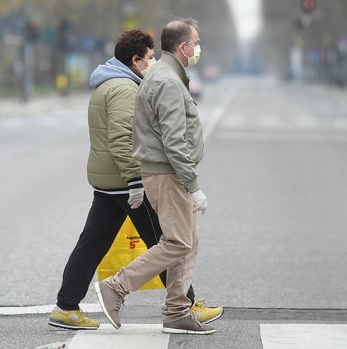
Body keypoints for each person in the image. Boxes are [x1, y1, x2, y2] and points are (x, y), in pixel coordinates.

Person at [49, 29, 222, 330]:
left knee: (91, 245)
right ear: (135, 60)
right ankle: (186, 306)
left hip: (108, 182)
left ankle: (65, 307)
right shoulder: (125, 89)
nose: (153, 61)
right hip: (126, 183)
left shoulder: (108, 84)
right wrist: (134, 181)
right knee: (169, 240)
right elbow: (120, 138)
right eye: (150, 57)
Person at [94, 18, 215, 335]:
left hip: (168, 172)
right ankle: (117, 286)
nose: (198, 48)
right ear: (183, 46)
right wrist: (194, 185)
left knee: (188, 242)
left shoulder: (167, 76)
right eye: (196, 42)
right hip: (169, 174)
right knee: (177, 242)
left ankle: (177, 311)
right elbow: (174, 141)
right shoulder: (167, 82)